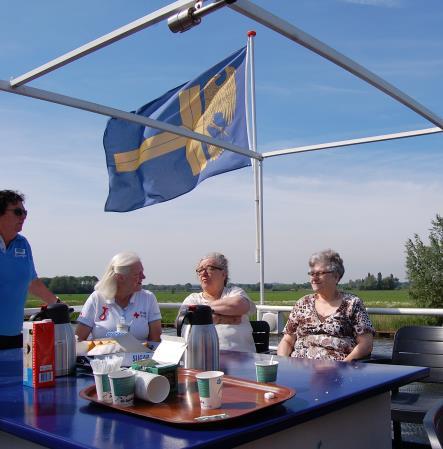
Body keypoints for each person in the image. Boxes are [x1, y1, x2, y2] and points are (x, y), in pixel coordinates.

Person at [277, 249, 374, 361]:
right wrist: (283, 364)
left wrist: (345, 364)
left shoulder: (352, 304)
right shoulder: (302, 304)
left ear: (336, 277)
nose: (314, 278)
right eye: (312, 273)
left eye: (319, 273)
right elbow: (287, 341)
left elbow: (366, 344)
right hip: (301, 371)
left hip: (338, 372)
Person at [0, 190, 60, 350]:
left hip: (13, 337)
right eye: (18, 212)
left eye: (24, 212)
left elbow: (32, 282)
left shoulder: (23, 244)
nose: (23, 217)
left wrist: (58, 305)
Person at [178, 252, 256, 353]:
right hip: (202, 359)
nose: (203, 273)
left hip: (242, 358)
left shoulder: (234, 292)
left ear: (224, 274)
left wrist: (200, 312)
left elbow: (239, 304)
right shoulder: (193, 299)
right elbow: (181, 322)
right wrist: (222, 318)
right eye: (200, 270)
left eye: (210, 268)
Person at [76, 252, 162, 342]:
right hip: (101, 356)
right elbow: (79, 339)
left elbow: (156, 341)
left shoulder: (148, 298)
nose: (143, 277)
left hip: (142, 356)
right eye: (137, 274)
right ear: (120, 277)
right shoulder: (96, 298)